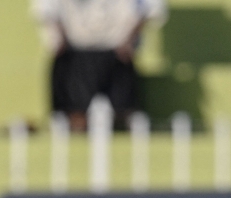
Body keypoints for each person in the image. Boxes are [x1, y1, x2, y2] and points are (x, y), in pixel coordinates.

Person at [32, 0, 167, 131]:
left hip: (117, 51)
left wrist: (130, 39)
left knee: (123, 116)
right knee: (74, 118)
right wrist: (57, 37)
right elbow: (47, 8)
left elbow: (149, 7)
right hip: (74, 53)